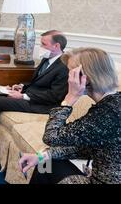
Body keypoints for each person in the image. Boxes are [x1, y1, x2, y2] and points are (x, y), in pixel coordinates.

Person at [19, 48, 120, 184]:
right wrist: (44, 155)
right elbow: (91, 146)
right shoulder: (114, 103)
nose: (68, 79)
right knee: (46, 160)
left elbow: (51, 137)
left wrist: (70, 97)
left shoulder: (106, 113)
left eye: (71, 73)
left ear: (86, 77)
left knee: (47, 162)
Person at [0, 30, 69, 152]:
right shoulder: (47, 59)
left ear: (56, 46)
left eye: (44, 44)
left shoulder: (64, 67)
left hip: (42, 104)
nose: (41, 47)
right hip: (30, 95)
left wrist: (24, 96)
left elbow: (54, 96)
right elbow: (36, 82)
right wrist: (22, 86)